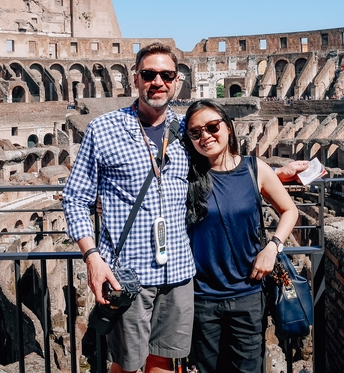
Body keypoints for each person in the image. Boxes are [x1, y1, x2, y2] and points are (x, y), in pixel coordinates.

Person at [63, 43, 307, 373]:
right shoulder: (104, 129)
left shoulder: (185, 131)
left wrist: (273, 176)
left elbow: (220, 172)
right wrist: (92, 258)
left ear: (178, 81)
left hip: (179, 274)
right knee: (127, 364)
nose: (158, 82)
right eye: (149, 74)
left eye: (167, 75)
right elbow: (76, 199)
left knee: (163, 360)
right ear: (136, 79)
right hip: (129, 274)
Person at [183, 99, 299, 373]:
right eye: (195, 132)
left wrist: (273, 247)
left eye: (212, 127)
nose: (205, 136)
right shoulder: (185, 174)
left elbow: (289, 210)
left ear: (228, 128)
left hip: (248, 291)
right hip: (201, 295)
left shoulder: (254, 168)